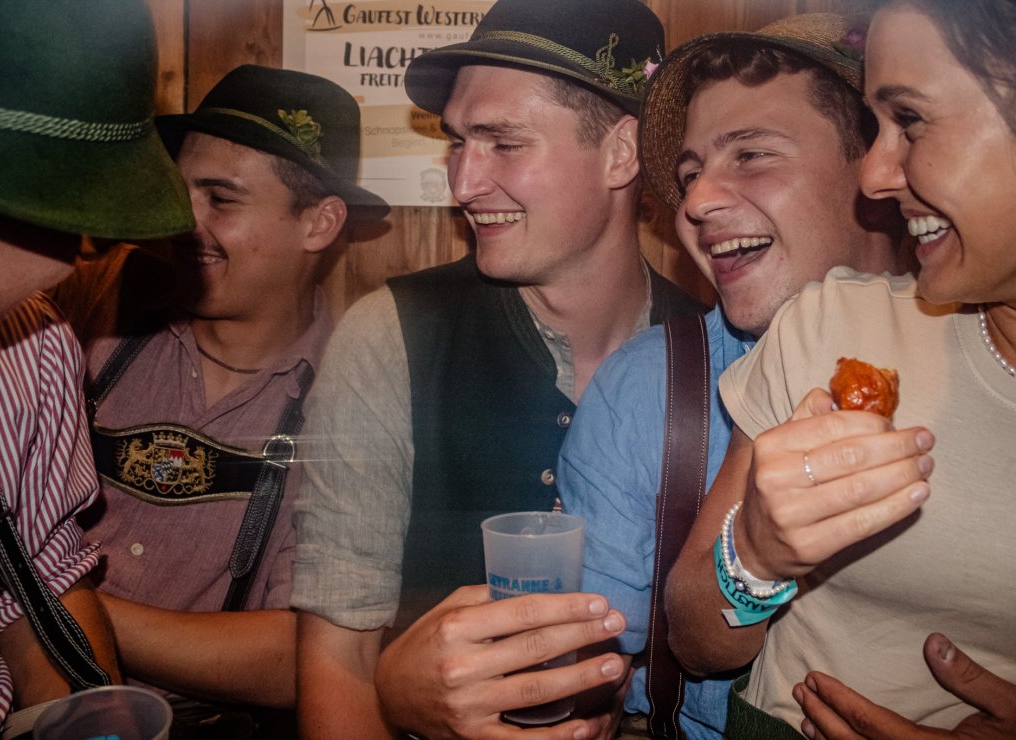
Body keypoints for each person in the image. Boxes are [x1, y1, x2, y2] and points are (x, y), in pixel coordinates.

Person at [291, 0, 706, 736]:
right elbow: (337, 662)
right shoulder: (393, 335)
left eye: (504, 143)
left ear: (622, 153)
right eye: (458, 143)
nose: (463, 182)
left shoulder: (710, 357)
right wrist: (397, 697)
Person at [665, 0, 1016, 737]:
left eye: (909, 120)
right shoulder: (831, 328)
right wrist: (754, 553)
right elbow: (695, 640)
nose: (875, 174)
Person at [558, 12, 911, 738]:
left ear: (877, 167)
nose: (694, 202)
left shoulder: (1000, 350)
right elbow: (583, 676)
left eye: (751, 154)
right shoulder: (647, 392)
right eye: (690, 175)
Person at [52, 65, 388, 725]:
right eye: (179, 192)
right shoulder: (95, 304)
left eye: (221, 199)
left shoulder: (354, 395)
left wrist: (50, 606)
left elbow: (297, 659)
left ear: (319, 223)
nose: (183, 221)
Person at [0, 1, 194, 737]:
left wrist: (91, 722)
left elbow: (37, 579)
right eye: (75, 224)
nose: (73, 263)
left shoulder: (35, 349)